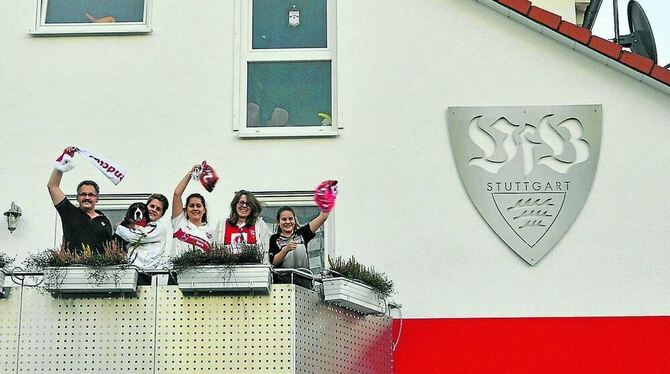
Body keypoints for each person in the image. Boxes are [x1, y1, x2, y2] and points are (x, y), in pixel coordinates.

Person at [47, 146, 113, 254]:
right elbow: (52, 186)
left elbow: (109, 248)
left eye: (91, 194)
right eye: (83, 194)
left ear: (97, 198)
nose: (87, 197)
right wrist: (63, 161)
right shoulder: (69, 212)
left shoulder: (104, 220)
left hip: (98, 269)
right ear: (77, 197)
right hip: (74, 268)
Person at [114, 194, 170, 268]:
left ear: (162, 214)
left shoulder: (159, 227)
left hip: (143, 271)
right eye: (152, 206)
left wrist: (119, 227)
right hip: (129, 267)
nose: (154, 210)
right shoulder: (142, 224)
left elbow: (132, 237)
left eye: (158, 209)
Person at [216, 190, 271, 261]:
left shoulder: (260, 224)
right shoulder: (222, 224)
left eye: (248, 204)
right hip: (227, 269)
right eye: (241, 203)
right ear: (235, 204)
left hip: (252, 270)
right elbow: (215, 250)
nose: (244, 206)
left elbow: (265, 252)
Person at [171, 165, 214, 254]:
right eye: (191, 205)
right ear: (185, 209)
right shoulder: (179, 223)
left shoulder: (211, 232)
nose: (195, 208)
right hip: (179, 267)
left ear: (204, 210)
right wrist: (191, 173)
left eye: (198, 206)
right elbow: (177, 194)